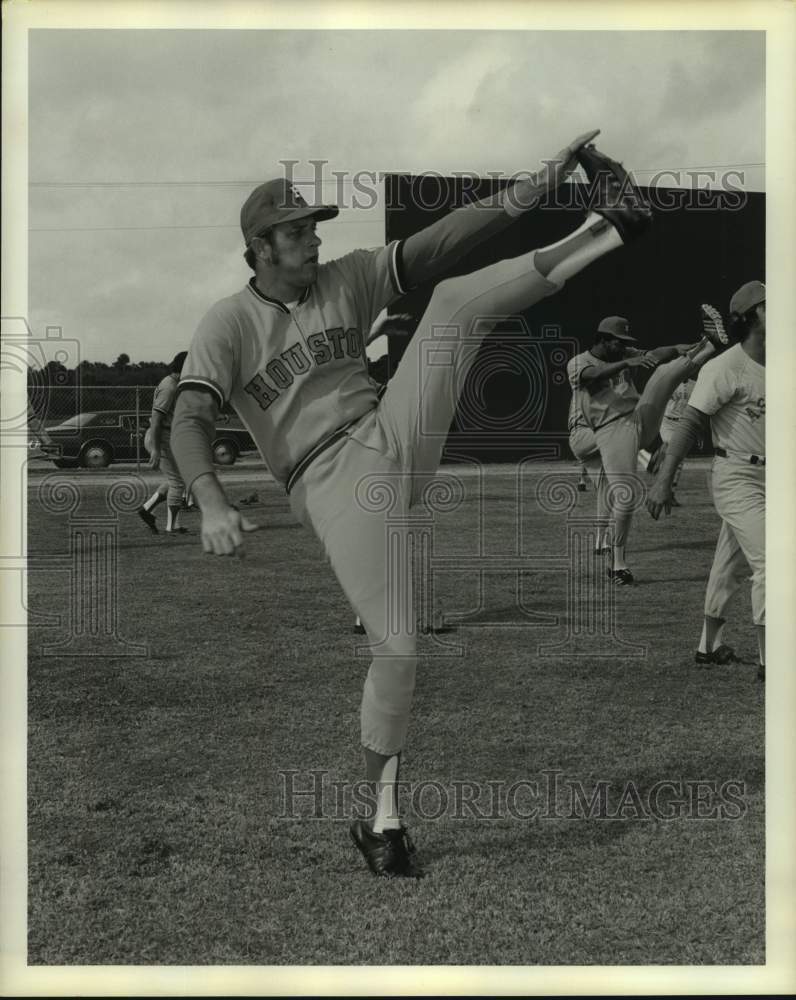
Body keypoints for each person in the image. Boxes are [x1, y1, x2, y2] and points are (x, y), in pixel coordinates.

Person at [171, 132, 653, 878]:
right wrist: (207, 498)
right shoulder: (226, 323)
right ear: (259, 246)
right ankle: (382, 819)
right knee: (396, 649)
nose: (312, 237)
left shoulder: (345, 279)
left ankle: (611, 227)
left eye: (313, 225)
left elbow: (444, 240)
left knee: (456, 300)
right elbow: (189, 418)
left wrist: (538, 182)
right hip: (331, 481)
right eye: (296, 230)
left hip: (390, 429)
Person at [647, 281, 765, 680]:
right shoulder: (725, 367)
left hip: (775, 476)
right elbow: (688, 425)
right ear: (751, 317)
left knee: (728, 564)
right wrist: (664, 480)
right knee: (775, 563)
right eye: (770, 306)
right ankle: (774, 661)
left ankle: (708, 646)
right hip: (737, 475)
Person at [567, 314, 726, 585]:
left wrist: (680, 348)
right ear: (603, 340)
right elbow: (594, 375)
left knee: (664, 375)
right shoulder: (579, 362)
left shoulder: (623, 352)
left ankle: (708, 344)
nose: (624, 347)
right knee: (624, 496)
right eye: (619, 342)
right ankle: (618, 565)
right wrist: (628, 361)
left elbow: (655, 355)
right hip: (603, 430)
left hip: (636, 420)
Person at [137, 351, 190, 535]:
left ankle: (146, 509)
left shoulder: (174, 384)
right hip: (161, 436)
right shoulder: (170, 386)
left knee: (176, 479)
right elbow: (157, 419)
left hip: (166, 435)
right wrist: (156, 449)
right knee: (178, 482)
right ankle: (172, 526)